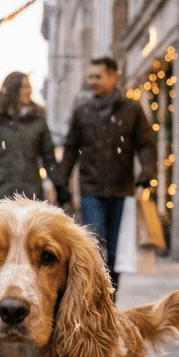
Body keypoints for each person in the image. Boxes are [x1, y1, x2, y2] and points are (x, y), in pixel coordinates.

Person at [53, 56, 157, 296]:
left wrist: (146, 172)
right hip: (91, 190)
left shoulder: (131, 109)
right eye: (90, 77)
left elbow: (145, 144)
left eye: (97, 76)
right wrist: (62, 181)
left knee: (114, 252)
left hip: (122, 190)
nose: (92, 81)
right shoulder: (82, 111)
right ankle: (95, 296)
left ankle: (110, 298)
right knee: (95, 245)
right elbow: (71, 148)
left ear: (112, 77)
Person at [0, 71, 69, 214]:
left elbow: (49, 158)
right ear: (13, 90)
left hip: (30, 192)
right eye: (24, 87)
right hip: (1, 192)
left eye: (29, 86)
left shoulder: (38, 119)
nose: (28, 91)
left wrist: (59, 186)